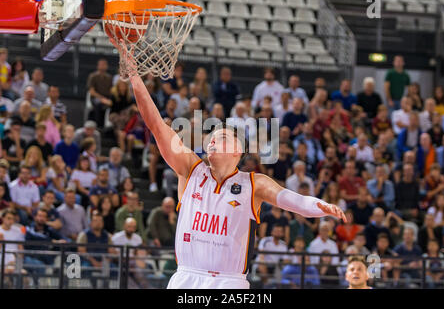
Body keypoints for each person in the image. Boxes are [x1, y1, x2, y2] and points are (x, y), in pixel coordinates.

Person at [112, 38, 346, 289]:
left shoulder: (254, 183)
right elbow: (156, 125)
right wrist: (135, 76)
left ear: (238, 150)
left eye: (220, 138)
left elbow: (292, 200)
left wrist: (320, 206)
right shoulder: (191, 169)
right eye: (210, 140)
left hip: (229, 283)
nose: (211, 143)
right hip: (186, 277)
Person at [87, 59, 113, 128]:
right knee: (98, 104)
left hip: (107, 98)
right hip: (96, 97)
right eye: (101, 65)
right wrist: (101, 98)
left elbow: (111, 90)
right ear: (98, 66)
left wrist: (110, 99)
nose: (103, 66)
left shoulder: (109, 77)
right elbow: (92, 92)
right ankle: (98, 126)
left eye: (104, 65)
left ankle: (110, 127)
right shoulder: (93, 76)